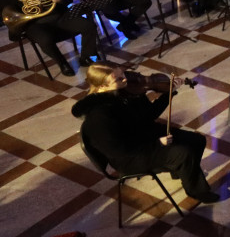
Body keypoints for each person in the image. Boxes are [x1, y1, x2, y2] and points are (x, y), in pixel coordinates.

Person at [73, 63, 219, 203]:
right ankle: (197, 191)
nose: (125, 79)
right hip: (131, 156)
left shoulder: (126, 91)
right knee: (183, 153)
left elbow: (149, 114)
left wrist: (169, 93)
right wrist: (157, 143)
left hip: (143, 134)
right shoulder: (99, 115)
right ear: (102, 86)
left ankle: (181, 172)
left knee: (196, 140)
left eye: (122, 74)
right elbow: (120, 151)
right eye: (118, 79)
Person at [0, 0, 100, 76]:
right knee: (45, 39)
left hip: (59, 16)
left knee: (88, 25)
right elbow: (0, 12)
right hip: (34, 23)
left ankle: (85, 57)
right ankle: (63, 63)